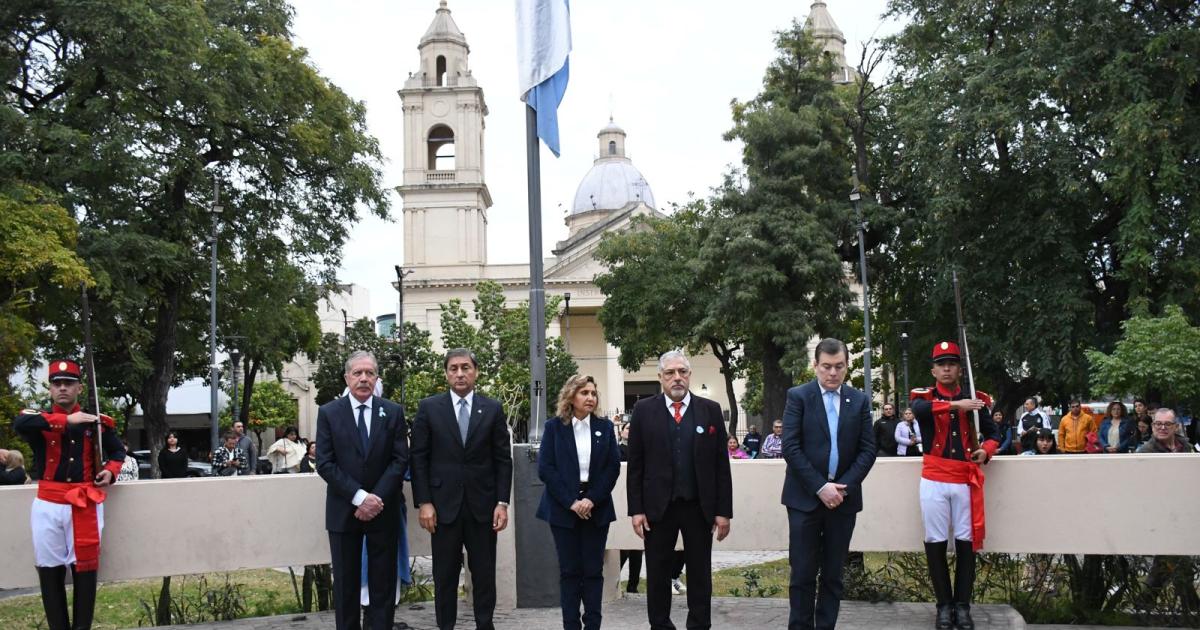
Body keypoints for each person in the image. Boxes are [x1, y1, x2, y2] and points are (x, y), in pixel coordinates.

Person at [14, 359, 126, 630]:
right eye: (57, 383)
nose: (63, 388)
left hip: (85, 501)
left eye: (69, 383)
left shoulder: (96, 422)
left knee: (84, 570)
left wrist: (110, 471)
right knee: (49, 569)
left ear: (79, 388)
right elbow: (20, 423)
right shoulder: (37, 419)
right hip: (48, 503)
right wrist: (65, 421)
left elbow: (118, 452)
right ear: (51, 389)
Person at [627, 350, 733, 630]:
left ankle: (699, 625)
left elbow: (721, 466)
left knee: (700, 573)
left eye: (682, 372)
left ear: (690, 376)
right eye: (670, 373)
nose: (677, 378)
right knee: (658, 572)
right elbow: (635, 465)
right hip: (657, 508)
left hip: (699, 507)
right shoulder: (643, 411)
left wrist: (723, 512)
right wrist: (636, 510)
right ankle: (660, 625)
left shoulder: (709, 410)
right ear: (660, 378)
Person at [411, 348, 513, 630]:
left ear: (475, 372)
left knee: (483, 576)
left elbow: (503, 459)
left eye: (465, 367)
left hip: (483, 508)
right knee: (444, 577)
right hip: (442, 509)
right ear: (446, 374)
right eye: (453, 368)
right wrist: (424, 502)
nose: (460, 373)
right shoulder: (429, 408)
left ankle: (485, 625)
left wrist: (502, 502)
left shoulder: (492, 409)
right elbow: (418, 457)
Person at [780, 338, 876, 630]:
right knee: (803, 574)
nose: (832, 373)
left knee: (833, 575)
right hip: (804, 500)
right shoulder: (798, 396)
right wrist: (821, 487)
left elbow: (867, 450)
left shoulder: (859, 400)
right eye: (826, 367)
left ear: (847, 366)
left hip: (843, 501)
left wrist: (842, 487)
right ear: (815, 366)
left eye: (839, 367)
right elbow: (790, 446)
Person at [910, 341, 1002, 630]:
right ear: (933, 370)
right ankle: (943, 607)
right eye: (941, 364)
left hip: (964, 479)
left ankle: (962, 607)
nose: (947, 368)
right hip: (934, 478)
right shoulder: (922, 396)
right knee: (935, 542)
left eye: (952, 363)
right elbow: (920, 410)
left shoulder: (976, 400)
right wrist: (954, 405)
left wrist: (986, 450)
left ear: (960, 368)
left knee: (966, 543)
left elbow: (994, 432)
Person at [315, 351, 408, 630]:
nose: (364, 378)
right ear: (347, 378)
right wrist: (359, 497)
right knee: (345, 585)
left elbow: (400, 459)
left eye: (369, 373)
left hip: (383, 510)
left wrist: (375, 499)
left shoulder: (392, 412)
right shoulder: (329, 413)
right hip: (344, 512)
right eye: (358, 373)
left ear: (377, 377)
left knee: (382, 584)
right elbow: (325, 463)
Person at [536, 375, 621, 630]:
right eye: (584, 393)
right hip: (563, 509)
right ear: (571, 396)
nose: (590, 398)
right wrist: (572, 502)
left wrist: (591, 499)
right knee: (570, 572)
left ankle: (592, 625)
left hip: (597, 508)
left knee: (593, 572)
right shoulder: (554, 427)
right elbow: (546, 469)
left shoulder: (605, 428)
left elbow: (612, 468)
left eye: (593, 393)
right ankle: (571, 625)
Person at [616, 422, 643, 594]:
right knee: (622, 549)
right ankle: (615, 579)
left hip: (637, 502)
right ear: (622, 432)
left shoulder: (641, 449)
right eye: (627, 428)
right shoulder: (617, 450)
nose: (630, 431)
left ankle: (633, 585)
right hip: (620, 501)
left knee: (637, 551)